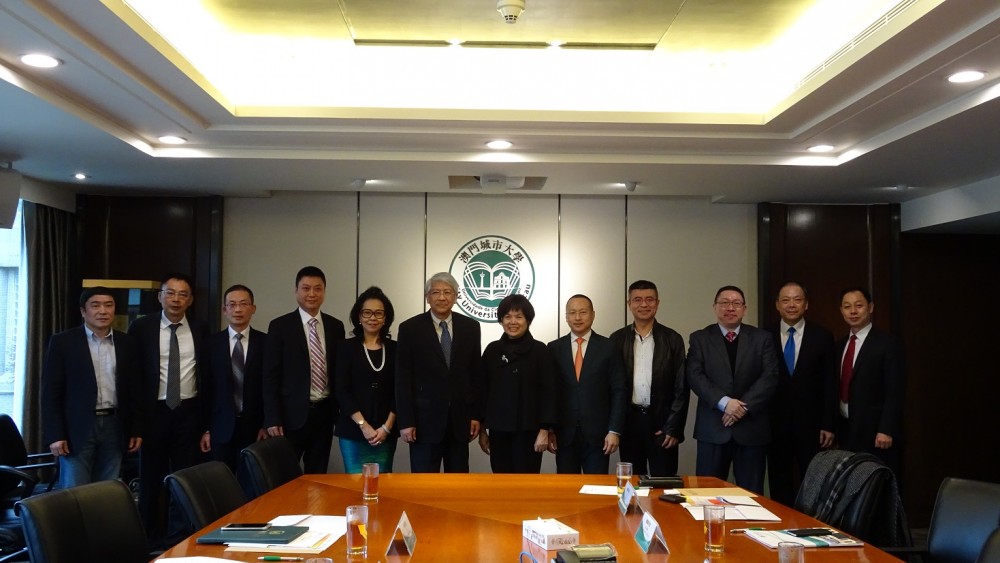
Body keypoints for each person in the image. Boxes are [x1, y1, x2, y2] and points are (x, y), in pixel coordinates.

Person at [128, 273, 210, 543]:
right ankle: (149, 537)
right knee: (150, 476)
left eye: (182, 294)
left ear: (190, 300)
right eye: (170, 293)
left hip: (189, 411)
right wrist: (136, 424)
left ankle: (179, 536)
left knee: (184, 477)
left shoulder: (200, 328)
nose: (176, 299)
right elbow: (134, 378)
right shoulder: (142, 328)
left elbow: (206, 374)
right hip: (154, 412)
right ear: (160, 296)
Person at [42, 286, 143, 488]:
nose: (103, 311)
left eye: (108, 305)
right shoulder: (63, 342)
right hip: (76, 428)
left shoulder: (127, 343)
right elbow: (50, 392)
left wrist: (136, 429)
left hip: (115, 425)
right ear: (83, 311)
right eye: (95, 305)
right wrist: (55, 434)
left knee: (107, 489)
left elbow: (134, 390)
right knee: (75, 490)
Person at [686, 285, 778, 494]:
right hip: (713, 428)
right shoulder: (700, 338)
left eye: (736, 303)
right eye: (724, 303)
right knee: (706, 493)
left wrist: (742, 407)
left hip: (751, 429)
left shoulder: (762, 338)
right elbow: (694, 375)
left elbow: (770, 376)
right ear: (714, 307)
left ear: (744, 309)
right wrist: (725, 403)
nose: (730, 308)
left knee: (751, 495)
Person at [395, 272, 481, 473]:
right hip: (423, 423)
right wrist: (406, 421)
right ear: (427, 297)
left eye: (447, 292)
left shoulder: (470, 327)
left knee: (458, 483)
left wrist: (476, 415)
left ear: (456, 296)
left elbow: (475, 374)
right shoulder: (410, 328)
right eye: (436, 292)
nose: (442, 297)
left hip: (460, 422)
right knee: (423, 482)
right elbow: (402, 378)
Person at [263, 266, 345, 473]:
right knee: (285, 475)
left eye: (318, 288)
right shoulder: (280, 326)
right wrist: (272, 418)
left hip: (324, 414)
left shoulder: (336, 326)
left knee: (318, 474)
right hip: (290, 416)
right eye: (306, 288)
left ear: (324, 292)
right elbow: (270, 376)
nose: (312, 294)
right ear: (296, 291)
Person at [765, 281, 837, 505]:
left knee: (813, 479)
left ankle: (811, 521)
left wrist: (829, 423)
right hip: (774, 423)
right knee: (779, 479)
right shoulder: (764, 335)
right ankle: (782, 520)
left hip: (812, 425)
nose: (791, 305)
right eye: (786, 300)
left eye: (797, 300)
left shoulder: (822, 336)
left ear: (806, 305)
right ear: (777, 305)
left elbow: (830, 383)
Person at [610, 280, 689, 477]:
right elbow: (611, 386)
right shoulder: (617, 339)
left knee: (663, 483)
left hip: (663, 424)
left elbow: (681, 387)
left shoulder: (672, 339)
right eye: (637, 300)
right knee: (632, 483)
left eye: (649, 299)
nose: (643, 304)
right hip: (629, 422)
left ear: (657, 303)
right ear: (629, 304)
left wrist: (673, 427)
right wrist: (614, 427)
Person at [547, 294, 627, 474]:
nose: (577, 317)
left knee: (596, 486)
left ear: (593, 314)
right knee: (567, 488)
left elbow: (619, 391)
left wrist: (614, 430)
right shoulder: (553, 348)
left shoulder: (609, 347)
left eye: (583, 312)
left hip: (599, 436)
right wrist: (549, 428)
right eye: (572, 313)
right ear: (566, 317)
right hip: (564, 435)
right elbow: (549, 393)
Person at [478, 294, 557, 474]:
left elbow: (549, 393)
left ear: (528, 320)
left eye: (519, 317)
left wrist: (545, 429)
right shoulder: (492, 350)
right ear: (501, 320)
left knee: (527, 483)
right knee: (501, 482)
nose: (512, 322)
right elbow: (482, 391)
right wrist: (483, 430)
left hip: (530, 432)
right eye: (507, 317)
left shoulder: (540, 350)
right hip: (498, 431)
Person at [836, 286, 905, 477]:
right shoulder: (839, 346)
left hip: (876, 433)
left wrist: (886, 429)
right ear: (841, 310)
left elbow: (895, 390)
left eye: (859, 305)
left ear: (871, 307)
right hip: (846, 431)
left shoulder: (888, 343)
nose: (853, 311)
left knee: (877, 484)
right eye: (847, 306)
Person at [334, 286, 398, 473]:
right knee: (354, 483)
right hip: (353, 431)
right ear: (359, 317)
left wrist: (387, 427)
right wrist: (363, 426)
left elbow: (400, 390)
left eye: (378, 313)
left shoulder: (395, 349)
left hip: (385, 432)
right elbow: (342, 391)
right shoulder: (346, 348)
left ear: (385, 318)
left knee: (383, 483)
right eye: (367, 312)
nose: (372, 318)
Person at [204, 284, 267, 474]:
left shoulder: (266, 342)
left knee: (253, 481)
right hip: (220, 427)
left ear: (253, 308)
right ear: (224, 310)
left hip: (255, 428)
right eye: (232, 305)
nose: (238, 309)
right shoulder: (210, 344)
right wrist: (206, 429)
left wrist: (266, 424)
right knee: (221, 481)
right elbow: (206, 389)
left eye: (243, 304)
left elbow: (270, 388)